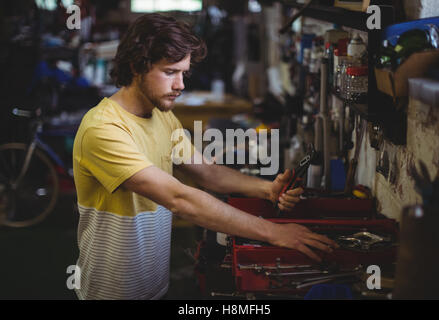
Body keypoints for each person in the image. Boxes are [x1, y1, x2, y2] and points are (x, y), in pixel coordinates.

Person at [72, 13, 337, 300]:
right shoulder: (103, 129)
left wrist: (265, 188)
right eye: (170, 72)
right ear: (137, 66)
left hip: (153, 286)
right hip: (111, 292)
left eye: (183, 73)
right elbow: (179, 199)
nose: (180, 85)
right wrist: (275, 233)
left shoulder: (162, 117)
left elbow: (208, 173)